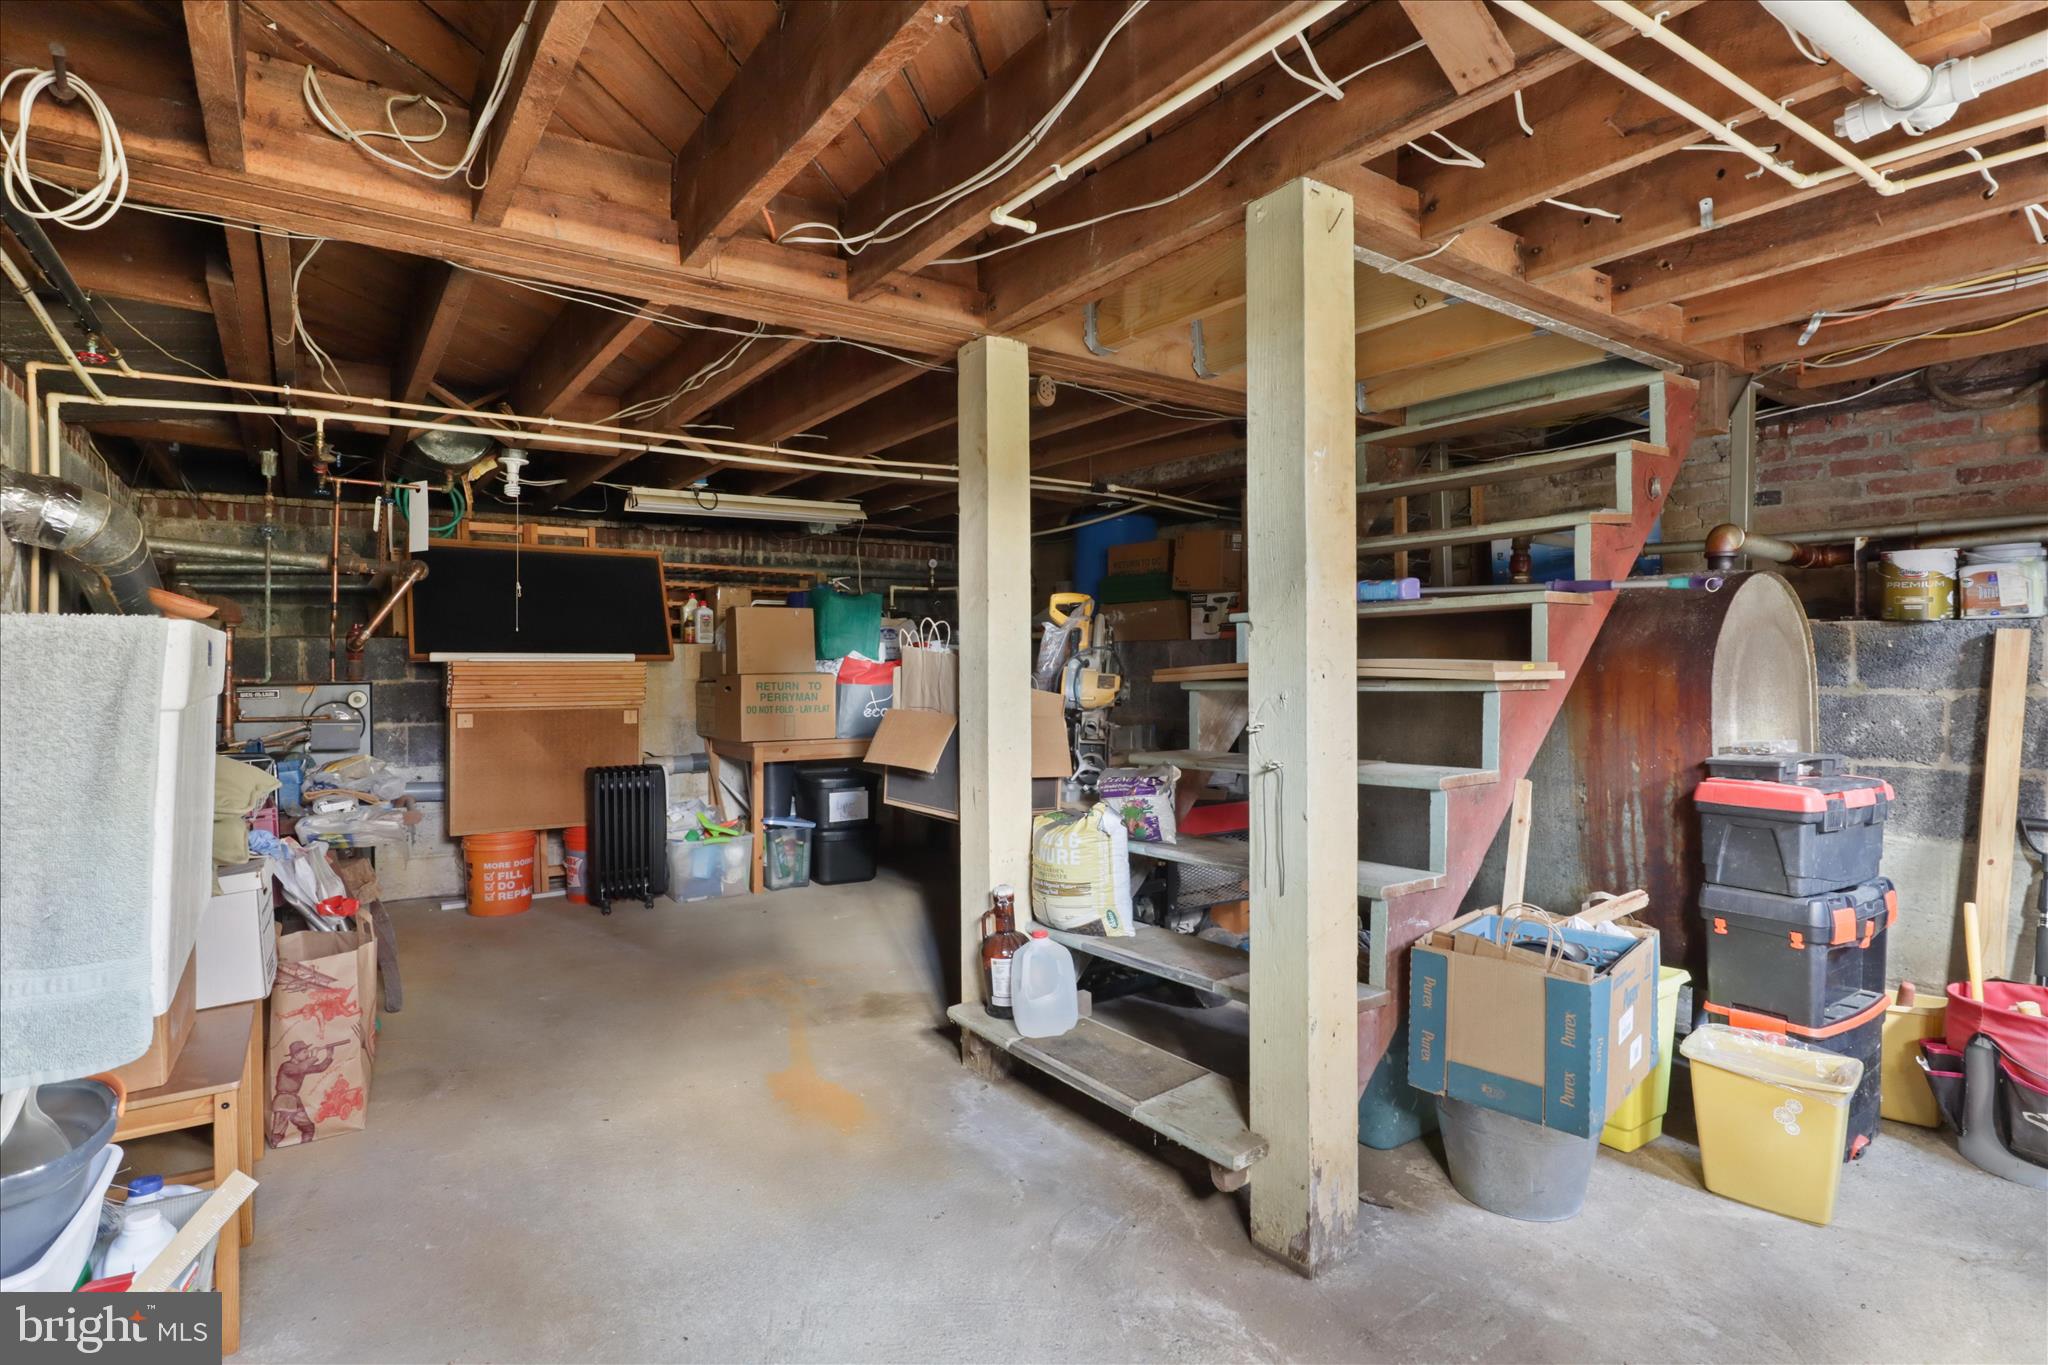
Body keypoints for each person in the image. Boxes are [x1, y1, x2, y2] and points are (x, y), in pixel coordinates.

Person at [269, 1039, 337, 1146]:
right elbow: (299, 1069)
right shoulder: (287, 1066)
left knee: (308, 1129)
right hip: (284, 1101)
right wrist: (313, 1057)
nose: (307, 1054)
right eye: (304, 1052)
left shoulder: (302, 1066)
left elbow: (319, 1068)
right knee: (278, 1133)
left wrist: (329, 1056)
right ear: (295, 1055)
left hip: (294, 1101)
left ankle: (305, 1149)